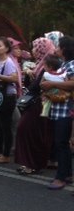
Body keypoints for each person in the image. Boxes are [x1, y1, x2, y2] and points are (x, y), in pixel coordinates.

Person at [14, 36, 55, 176]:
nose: (33, 50)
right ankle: (30, 163)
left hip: (41, 104)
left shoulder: (48, 66)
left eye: (35, 47)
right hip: (37, 104)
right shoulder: (39, 65)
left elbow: (40, 86)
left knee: (29, 131)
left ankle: (32, 164)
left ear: (41, 50)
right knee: (30, 132)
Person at [40, 35, 74, 191]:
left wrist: (51, 83)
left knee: (61, 143)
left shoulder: (71, 65)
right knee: (61, 144)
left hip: (67, 110)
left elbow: (72, 83)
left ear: (65, 49)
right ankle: (66, 174)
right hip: (59, 109)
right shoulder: (65, 64)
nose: (56, 49)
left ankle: (61, 178)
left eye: (59, 47)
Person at [0, 37, 19, 164]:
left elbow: (14, 78)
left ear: (6, 48)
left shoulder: (9, 62)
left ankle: (6, 155)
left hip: (7, 97)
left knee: (5, 126)